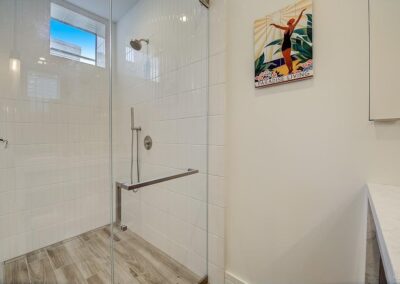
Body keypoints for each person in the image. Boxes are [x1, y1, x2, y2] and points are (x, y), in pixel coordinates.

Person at [270, 9, 306, 74]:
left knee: (288, 57)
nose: (292, 21)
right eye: (291, 20)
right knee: (285, 58)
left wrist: (301, 12)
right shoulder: (287, 28)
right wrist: (274, 25)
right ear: (289, 22)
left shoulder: (292, 27)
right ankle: (289, 69)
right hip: (284, 44)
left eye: (292, 20)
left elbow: (298, 19)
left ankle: (291, 68)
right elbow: (280, 27)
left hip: (288, 44)